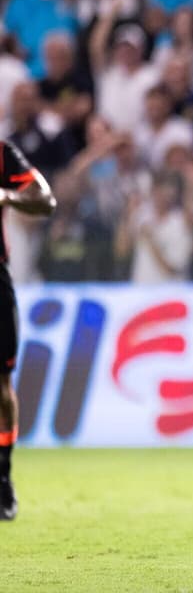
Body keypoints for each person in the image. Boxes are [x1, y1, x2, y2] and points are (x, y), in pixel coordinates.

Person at [0, 140, 58, 520]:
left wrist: (7, 197)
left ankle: (2, 477)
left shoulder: (3, 154)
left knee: (1, 386)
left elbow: (45, 200)